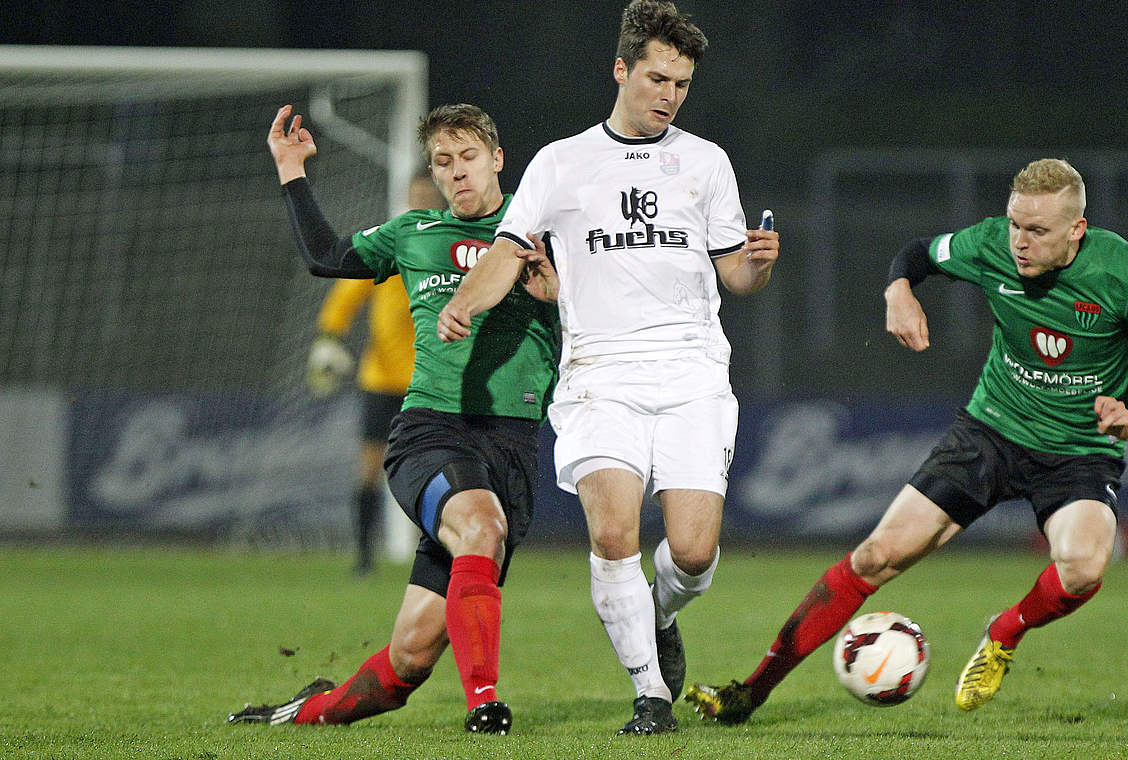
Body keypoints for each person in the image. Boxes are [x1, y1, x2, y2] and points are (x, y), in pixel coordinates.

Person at [686, 158, 1128, 723]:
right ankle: (748, 693)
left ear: (1077, 230)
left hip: (1079, 452)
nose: (1019, 242)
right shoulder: (991, 244)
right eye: (1015, 224)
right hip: (991, 431)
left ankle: (1004, 632)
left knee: (1083, 567)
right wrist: (898, 290)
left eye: (1038, 231)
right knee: (876, 556)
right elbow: (917, 255)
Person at [435, 0, 780, 735]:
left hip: (691, 372)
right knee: (616, 533)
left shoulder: (706, 162)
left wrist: (757, 267)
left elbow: (735, 281)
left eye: (681, 83)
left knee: (691, 549)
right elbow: (507, 248)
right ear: (621, 70)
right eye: (657, 78)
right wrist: (466, 302)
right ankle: (650, 696)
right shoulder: (561, 164)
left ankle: (658, 611)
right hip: (599, 372)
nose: (669, 95)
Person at [227, 102, 560, 735]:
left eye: (467, 157)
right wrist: (291, 170)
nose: (456, 172)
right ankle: (484, 703)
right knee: (481, 525)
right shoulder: (414, 232)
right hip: (432, 431)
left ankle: (306, 713)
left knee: (411, 654)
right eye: (442, 162)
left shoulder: (543, 231)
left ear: (497, 159)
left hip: (512, 447)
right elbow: (325, 255)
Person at [306, 171, 441, 576]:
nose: (418, 200)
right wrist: (329, 336)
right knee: (368, 469)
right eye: (413, 194)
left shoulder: (449, 241)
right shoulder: (390, 239)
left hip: (430, 379)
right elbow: (347, 289)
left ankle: (439, 556)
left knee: (435, 472)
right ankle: (364, 558)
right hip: (381, 377)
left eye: (426, 194)